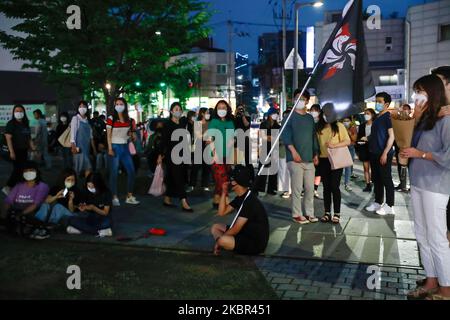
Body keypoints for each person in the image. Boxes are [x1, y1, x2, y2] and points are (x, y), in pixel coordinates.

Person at [400, 74, 450, 300]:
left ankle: (446, 289)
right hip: (418, 182)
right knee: (422, 234)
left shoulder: (446, 118)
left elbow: (448, 157)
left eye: (421, 90)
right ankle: (431, 280)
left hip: (435, 185)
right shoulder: (424, 118)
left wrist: (420, 154)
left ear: (433, 92)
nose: (417, 95)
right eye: (416, 91)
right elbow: (407, 145)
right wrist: (415, 118)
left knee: (437, 237)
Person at [210, 165, 269, 256]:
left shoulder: (249, 201)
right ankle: (228, 244)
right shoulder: (240, 197)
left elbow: (235, 229)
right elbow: (222, 212)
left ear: (237, 182)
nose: (229, 182)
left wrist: (218, 241)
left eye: (231, 180)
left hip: (254, 242)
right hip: (245, 232)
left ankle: (225, 244)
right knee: (215, 227)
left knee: (222, 240)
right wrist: (224, 192)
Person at [281, 89, 319, 224]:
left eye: (302, 98)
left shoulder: (309, 118)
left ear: (308, 101)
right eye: (297, 98)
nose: (299, 101)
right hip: (294, 159)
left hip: (309, 159)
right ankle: (296, 214)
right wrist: (293, 152)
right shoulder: (289, 117)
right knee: (297, 189)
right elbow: (285, 136)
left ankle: (309, 213)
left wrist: (316, 153)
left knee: (309, 189)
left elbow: (313, 137)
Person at [157, 102, 193, 212]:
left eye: (179, 109)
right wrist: (160, 155)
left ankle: (167, 198)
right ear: (171, 111)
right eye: (175, 109)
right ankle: (184, 201)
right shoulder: (167, 124)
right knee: (179, 177)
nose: (178, 111)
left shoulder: (183, 123)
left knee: (174, 176)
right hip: (171, 155)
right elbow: (163, 141)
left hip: (183, 153)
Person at [316, 112, 351, 224]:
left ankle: (337, 213)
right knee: (326, 187)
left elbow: (347, 141)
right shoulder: (319, 128)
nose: (327, 116)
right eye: (325, 113)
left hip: (336, 159)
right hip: (323, 160)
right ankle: (327, 212)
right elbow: (316, 144)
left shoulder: (339, 126)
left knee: (334, 186)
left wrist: (334, 145)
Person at [365, 92, 396, 216]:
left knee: (386, 179)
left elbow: (392, 136)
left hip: (383, 154)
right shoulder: (378, 117)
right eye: (376, 101)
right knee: (376, 179)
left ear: (386, 104)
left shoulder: (388, 117)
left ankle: (389, 205)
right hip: (374, 153)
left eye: (379, 102)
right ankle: (378, 202)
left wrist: (385, 153)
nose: (377, 104)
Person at [106, 98, 139, 206]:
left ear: (125, 106)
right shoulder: (111, 118)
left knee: (131, 171)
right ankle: (114, 196)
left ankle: (129, 195)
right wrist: (110, 148)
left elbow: (129, 134)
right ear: (114, 106)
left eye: (121, 104)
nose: (119, 106)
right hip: (115, 147)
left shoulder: (128, 119)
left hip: (125, 146)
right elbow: (108, 135)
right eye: (117, 104)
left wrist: (132, 135)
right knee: (114, 173)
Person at [2, 161, 49, 236]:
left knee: (28, 216)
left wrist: (21, 214)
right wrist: (8, 212)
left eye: (31, 170)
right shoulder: (19, 185)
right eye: (26, 171)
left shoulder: (42, 186)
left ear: (36, 171)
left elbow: (35, 204)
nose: (28, 173)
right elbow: (8, 200)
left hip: (32, 213)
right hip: (17, 210)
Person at [33, 168, 81, 236]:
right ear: (63, 179)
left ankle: (49, 227)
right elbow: (46, 201)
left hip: (68, 214)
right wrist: (56, 196)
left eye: (73, 180)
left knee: (58, 207)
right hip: (55, 213)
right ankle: (35, 224)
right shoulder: (56, 188)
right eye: (68, 180)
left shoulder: (76, 191)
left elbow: (72, 210)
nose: (70, 182)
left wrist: (71, 200)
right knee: (45, 205)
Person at [207, 100, 235, 209]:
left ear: (227, 110)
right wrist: (214, 154)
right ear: (216, 110)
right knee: (223, 179)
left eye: (224, 108)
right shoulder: (214, 122)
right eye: (219, 107)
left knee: (221, 178)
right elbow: (210, 139)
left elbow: (233, 138)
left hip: (227, 155)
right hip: (215, 155)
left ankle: (216, 199)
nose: (222, 110)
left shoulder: (230, 122)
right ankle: (226, 202)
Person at [66, 173, 113, 237]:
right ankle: (100, 232)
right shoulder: (85, 191)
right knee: (70, 220)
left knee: (107, 222)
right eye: (89, 186)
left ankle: (82, 230)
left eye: (93, 186)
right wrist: (81, 206)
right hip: (89, 218)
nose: (90, 188)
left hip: (102, 218)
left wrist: (93, 208)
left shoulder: (106, 193)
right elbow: (75, 208)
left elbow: (105, 212)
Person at [3, 105, 35, 195]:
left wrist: (33, 147)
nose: (19, 113)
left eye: (20, 111)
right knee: (18, 169)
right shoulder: (11, 123)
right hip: (15, 150)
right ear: (13, 113)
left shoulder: (25, 123)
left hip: (24, 150)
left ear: (24, 112)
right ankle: (8, 186)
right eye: (16, 111)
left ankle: (19, 187)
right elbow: (8, 138)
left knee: (22, 169)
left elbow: (28, 138)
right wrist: (12, 152)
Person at [256, 107, 280, 195]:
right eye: (274, 113)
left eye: (277, 113)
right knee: (263, 169)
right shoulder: (263, 124)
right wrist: (272, 138)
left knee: (273, 170)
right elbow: (263, 137)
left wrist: (270, 138)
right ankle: (260, 188)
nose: (275, 115)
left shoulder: (278, 126)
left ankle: (271, 188)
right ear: (269, 115)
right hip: (265, 148)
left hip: (274, 149)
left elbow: (278, 138)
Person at [70, 101, 96, 178]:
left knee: (88, 167)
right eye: (80, 106)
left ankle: (86, 185)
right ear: (78, 108)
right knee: (78, 168)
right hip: (78, 148)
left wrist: (94, 149)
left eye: (84, 106)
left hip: (86, 148)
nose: (82, 108)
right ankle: (74, 185)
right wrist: (73, 147)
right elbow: (73, 134)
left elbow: (91, 137)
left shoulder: (88, 121)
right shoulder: (75, 118)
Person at [189, 107, 211, 191]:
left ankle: (205, 185)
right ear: (202, 113)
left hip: (207, 146)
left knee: (207, 167)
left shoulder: (210, 123)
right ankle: (192, 185)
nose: (208, 114)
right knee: (195, 167)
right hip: (198, 146)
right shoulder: (197, 123)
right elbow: (198, 135)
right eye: (207, 112)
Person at [356, 108, 376, 192]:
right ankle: (368, 184)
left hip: (374, 149)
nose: (366, 115)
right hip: (364, 148)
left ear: (372, 115)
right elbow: (359, 138)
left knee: (374, 168)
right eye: (365, 114)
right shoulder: (361, 126)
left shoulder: (376, 125)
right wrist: (359, 142)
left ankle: (375, 183)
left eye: (367, 113)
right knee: (366, 168)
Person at [278, 109, 291, 199]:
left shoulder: (295, 127)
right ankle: (286, 189)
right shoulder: (281, 128)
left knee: (291, 172)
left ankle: (291, 190)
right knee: (283, 171)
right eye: (285, 116)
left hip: (292, 153)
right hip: (282, 151)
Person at [342, 116, 358, 191]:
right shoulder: (340, 128)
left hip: (350, 147)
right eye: (344, 121)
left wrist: (348, 132)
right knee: (340, 166)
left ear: (350, 121)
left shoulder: (353, 128)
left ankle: (346, 184)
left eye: (347, 120)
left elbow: (354, 139)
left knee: (348, 165)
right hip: (342, 147)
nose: (346, 122)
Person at [309, 104, 321, 198]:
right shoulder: (307, 121)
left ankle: (314, 189)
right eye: (311, 110)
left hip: (320, 149)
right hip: (309, 149)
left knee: (318, 171)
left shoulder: (322, 123)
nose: (313, 112)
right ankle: (307, 189)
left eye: (315, 110)